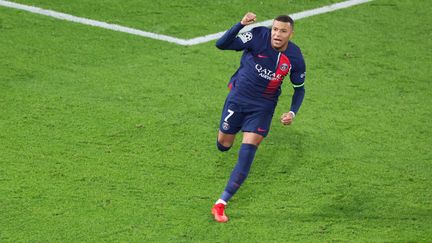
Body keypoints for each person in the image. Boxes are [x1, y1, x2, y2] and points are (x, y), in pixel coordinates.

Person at [211, 12, 306, 223]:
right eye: (275, 29)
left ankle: (221, 203)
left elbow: (299, 89)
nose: (277, 34)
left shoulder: (295, 57)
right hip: (237, 99)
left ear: (291, 33)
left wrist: (292, 112)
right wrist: (240, 24)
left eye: (283, 31)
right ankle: (227, 139)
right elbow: (221, 44)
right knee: (224, 144)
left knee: (247, 155)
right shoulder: (256, 36)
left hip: (263, 107)